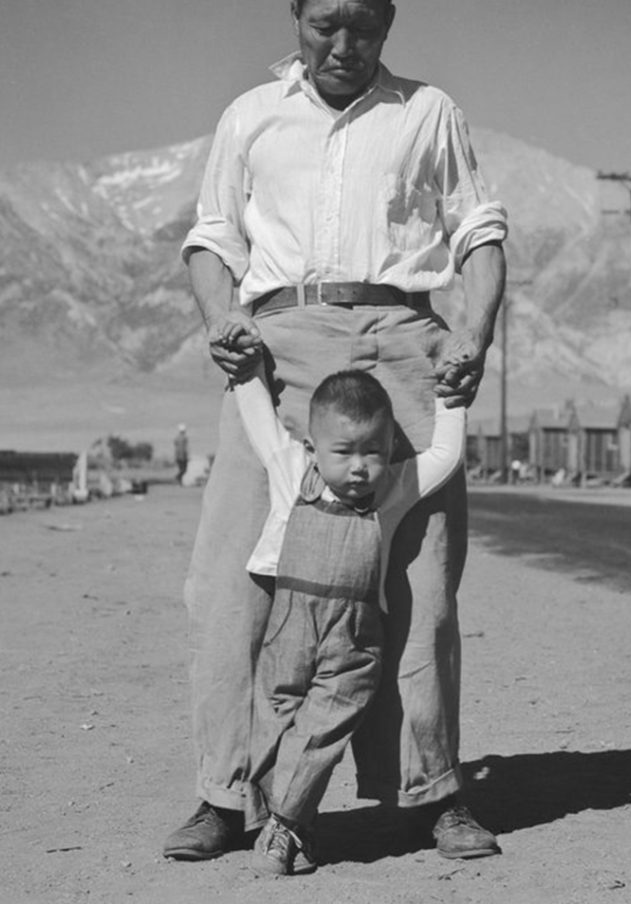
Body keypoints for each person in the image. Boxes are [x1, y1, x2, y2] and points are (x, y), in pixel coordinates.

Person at [163, 0, 507, 863]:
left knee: (419, 584)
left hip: (402, 343)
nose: (342, 45)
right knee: (230, 578)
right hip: (278, 350)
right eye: (325, 25)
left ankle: (435, 792)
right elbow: (209, 240)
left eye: (361, 26)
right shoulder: (250, 117)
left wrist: (470, 334)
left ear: (387, 22)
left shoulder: (428, 113)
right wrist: (220, 316)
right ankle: (225, 793)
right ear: (299, 20)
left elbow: (478, 235)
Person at [221, 332, 467, 874]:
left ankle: (284, 830)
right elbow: (260, 416)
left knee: (324, 727)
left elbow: (445, 455)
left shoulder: (392, 493)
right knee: (273, 722)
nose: (360, 467)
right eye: (345, 451)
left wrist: (452, 398)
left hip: (353, 642)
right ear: (313, 446)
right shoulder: (292, 473)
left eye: (373, 452)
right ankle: (284, 824)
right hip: (289, 630)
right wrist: (247, 368)